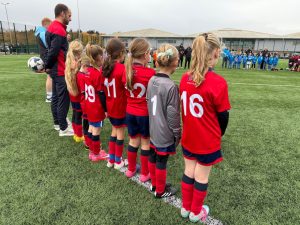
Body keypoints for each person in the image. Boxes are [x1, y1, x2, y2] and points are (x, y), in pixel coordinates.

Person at [179, 33, 230, 223]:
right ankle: (196, 211)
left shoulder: (185, 78)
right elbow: (223, 115)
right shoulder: (218, 82)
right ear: (216, 53)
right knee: (201, 175)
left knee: (189, 171)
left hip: (189, 136)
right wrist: (220, 134)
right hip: (206, 139)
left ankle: (185, 207)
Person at [147, 44, 181, 198]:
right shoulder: (171, 86)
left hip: (153, 128)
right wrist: (177, 133)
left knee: (153, 157)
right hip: (164, 131)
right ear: (175, 63)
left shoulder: (151, 79)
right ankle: (160, 191)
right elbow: (173, 115)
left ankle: (154, 184)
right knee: (161, 160)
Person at [124, 38, 156, 182]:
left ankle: (130, 169)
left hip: (130, 112)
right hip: (144, 114)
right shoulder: (150, 73)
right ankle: (145, 173)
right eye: (149, 53)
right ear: (145, 55)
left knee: (133, 141)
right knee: (145, 143)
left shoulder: (127, 71)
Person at [45, 3, 73, 136]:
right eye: (69, 15)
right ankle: (63, 128)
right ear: (62, 13)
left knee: (56, 97)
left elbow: (52, 50)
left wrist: (49, 67)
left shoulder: (53, 27)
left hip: (56, 70)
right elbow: (53, 51)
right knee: (63, 99)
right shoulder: (58, 29)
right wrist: (48, 66)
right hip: (60, 70)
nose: (70, 18)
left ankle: (58, 123)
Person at [101, 38, 127, 170]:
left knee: (114, 131)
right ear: (121, 53)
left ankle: (111, 159)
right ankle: (118, 161)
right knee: (120, 133)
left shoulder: (105, 68)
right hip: (120, 107)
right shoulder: (121, 68)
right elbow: (127, 86)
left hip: (110, 106)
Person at [85, 44, 108, 161]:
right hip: (96, 107)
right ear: (98, 58)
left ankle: (91, 150)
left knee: (91, 128)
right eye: (103, 56)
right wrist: (105, 109)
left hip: (89, 105)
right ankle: (96, 153)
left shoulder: (87, 71)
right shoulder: (97, 74)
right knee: (96, 131)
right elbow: (101, 93)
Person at [65, 40, 85, 143]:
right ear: (79, 51)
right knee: (79, 114)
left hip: (72, 93)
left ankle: (76, 134)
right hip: (79, 93)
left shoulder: (68, 60)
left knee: (75, 113)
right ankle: (79, 134)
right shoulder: (78, 63)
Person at [35, 17, 52, 102]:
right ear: (46, 24)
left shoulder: (39, 33)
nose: (51, 27)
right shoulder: (43, 33)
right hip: (47, 57)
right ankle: (49, 96)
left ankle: (50, 95)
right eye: (50, 25)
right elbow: (49, 45)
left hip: (44, 56)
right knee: (50, 76)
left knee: (50, 76)